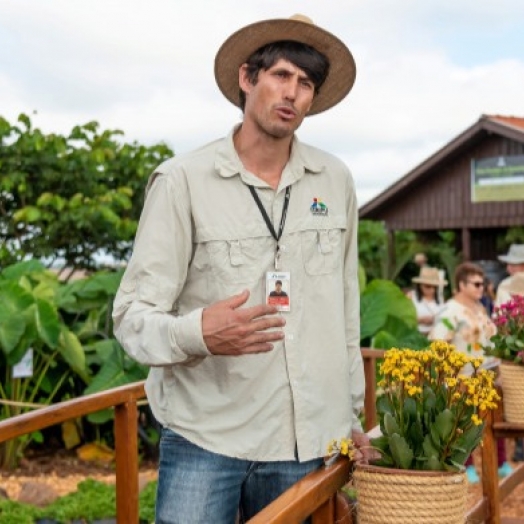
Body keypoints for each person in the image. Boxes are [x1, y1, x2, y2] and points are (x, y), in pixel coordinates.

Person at [112, 14, 373, 523]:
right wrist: (200, 332)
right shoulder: (182, 181)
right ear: (246, 78)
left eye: (305, 83)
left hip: (307, 443)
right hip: (206, 437)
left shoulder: (334, 180)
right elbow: (131, 318)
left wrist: (350, 417)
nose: (292, 93)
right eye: (280, 75)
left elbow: (345, 311)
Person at [429, 262, 512, 483]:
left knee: (492, 419)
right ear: (461, 284)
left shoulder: (481, 308)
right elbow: (439, 343)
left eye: (482, 283)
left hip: (487, 374)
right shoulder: (449, 311)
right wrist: (447, 377)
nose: (481, 288)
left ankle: (500, 463)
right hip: (462, 377)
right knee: (463, 423)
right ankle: (466, 466)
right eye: (476, 284)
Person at [495, 243, 524, 462]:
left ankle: (521, 447)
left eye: (510, 265)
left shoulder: (505, 286)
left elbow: (500, 319)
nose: (508, 269)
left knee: (516, 397)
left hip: (512, 347)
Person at [410, 266, 446, 335]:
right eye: (428, 286)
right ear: (420, 285)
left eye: (435, 287)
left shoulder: (441, 298)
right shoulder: (411, 296)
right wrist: (420, 320)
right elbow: (404, 318)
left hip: (435, 335)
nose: (432, 290)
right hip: (416, 334)